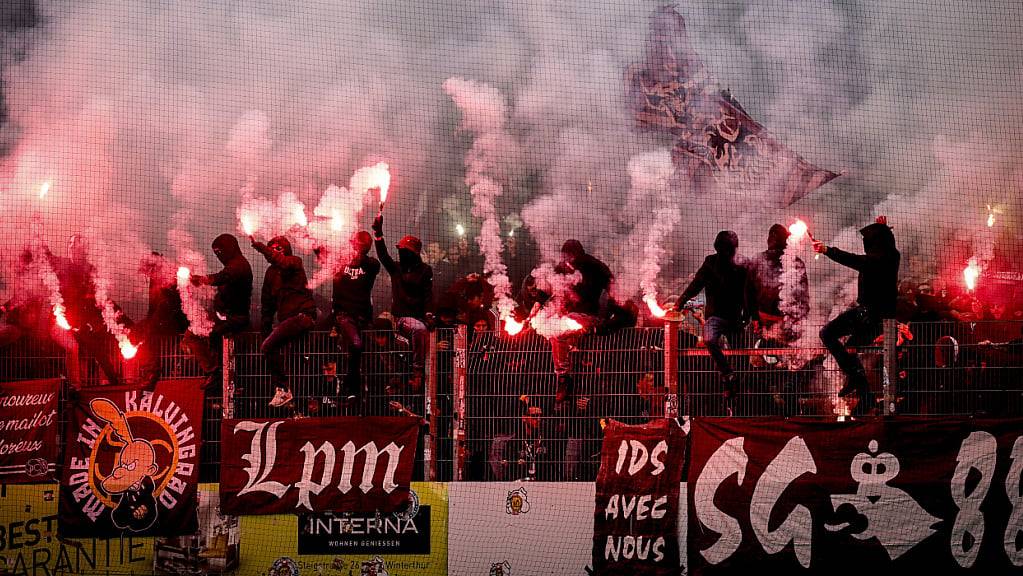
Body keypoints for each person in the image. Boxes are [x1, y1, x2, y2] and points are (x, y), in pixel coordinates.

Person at [814, 216, 900, 400]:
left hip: (867, 315)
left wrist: (827, 250)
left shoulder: (875, 261)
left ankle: (857, 380)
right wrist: (883, 229)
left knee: (827, 334)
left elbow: (850, 259)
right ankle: (864, 394)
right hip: (880, 318)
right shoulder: (893, 256)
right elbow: (887, 244)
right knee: (850, 350)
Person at [675, 231, 747, 400]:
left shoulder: (741, 264)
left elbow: (748, 291)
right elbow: (696, 284)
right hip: (715, 317)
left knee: (741, 357)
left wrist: (749, 315)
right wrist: (680, 302)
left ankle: (735, 389)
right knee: (708, 338)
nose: (725, 253)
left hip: (735, 318)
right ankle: (727, 373)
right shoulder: (710, 262)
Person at [251, 235, 317, 408]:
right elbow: (267, 305)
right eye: (271, 248)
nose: (274, 252)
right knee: (294, 363)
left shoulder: (295, 262)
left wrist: (261, 248)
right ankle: (298, 404)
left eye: (277, 249)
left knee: (269, 347)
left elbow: (284, 263)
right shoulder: (270, 274)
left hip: (302, 317)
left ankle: (282, 389)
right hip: (288, 322)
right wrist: (265, 331)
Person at [371, 214, 433, 388]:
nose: (401, 253)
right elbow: (383, 256)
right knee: (419, 330)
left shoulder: (425, 270)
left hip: (420, 316)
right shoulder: (396, 269)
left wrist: (429, 314)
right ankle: (417, 370)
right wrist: (378, 234)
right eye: (401, 251)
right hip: (402, 319)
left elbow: (428, 295)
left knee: (426, 332)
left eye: (405, 251)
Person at [549, 240, 614, 403]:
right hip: (569, 316)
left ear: (578, 254)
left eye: (570, 256)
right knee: (551, 328)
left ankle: (563, 378)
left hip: (590, 317)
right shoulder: (562, 267)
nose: (567, 260)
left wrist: (605, 317)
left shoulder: (595, 267)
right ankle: (565, 371)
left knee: (558, 331)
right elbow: (555, 292)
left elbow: (613, 289)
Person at [185, 234, 253, 388]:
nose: (218, 255)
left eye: (219, 251)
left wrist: (203, 280)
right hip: (226, 317)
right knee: (192, 335)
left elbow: (223, 277)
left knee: (198, 335)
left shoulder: (239, 265)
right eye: (215, 252)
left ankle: (214, 372)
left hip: (235, 319)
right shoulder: (234, 265)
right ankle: (215, 370)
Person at [331, 230, 380, 402]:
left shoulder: (371, 265)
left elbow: (370, 263)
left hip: (363, 318)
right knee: (356, 345)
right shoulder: (339, 261)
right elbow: (320, 251)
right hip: (344, 315)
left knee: (366, 355)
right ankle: (351, 389)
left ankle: (370, 395)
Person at [134, 253, 188, 387]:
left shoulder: (166, 276)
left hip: (172, 323)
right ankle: (157, 373)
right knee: (163, 350)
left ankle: (154, 373)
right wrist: (147, 321)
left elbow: (168, 303)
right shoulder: (158, 277)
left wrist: (151, 323)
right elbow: (154, 306)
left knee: (157, 344)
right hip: (165, 322)